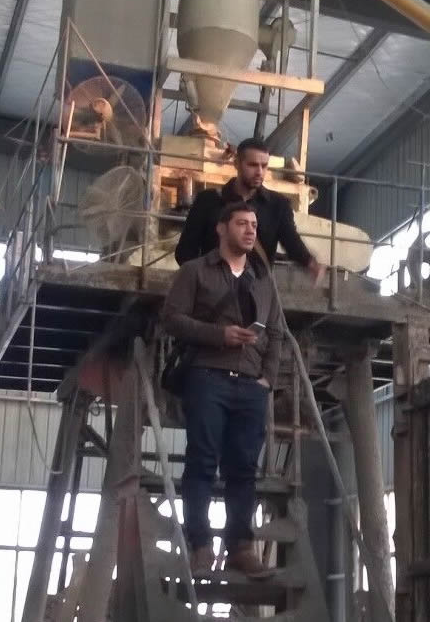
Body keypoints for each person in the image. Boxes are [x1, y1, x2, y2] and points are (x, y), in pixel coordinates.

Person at [162, 201, 282, 578]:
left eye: (254, 225)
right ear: (221, 228)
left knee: (243, 469)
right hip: (207, 377)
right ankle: (200, 545)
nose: (250, 230)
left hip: (251, 385)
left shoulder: (263, 280)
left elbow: (277, 331)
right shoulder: (195, 271)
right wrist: (219, 335)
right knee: (202, 462)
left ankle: (240, 549)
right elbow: (171, 319)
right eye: (242, 223)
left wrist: (268, 379)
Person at [175, 137, 324, 280]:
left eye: (264, 166)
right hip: (214, 287)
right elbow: (185, 250)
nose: (259, 172)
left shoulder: (278, 205)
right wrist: (202, 280)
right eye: (252, 165)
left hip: (256, 289)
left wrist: (309, 263)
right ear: (237, 164)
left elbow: (291, 241)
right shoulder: (208, 201)